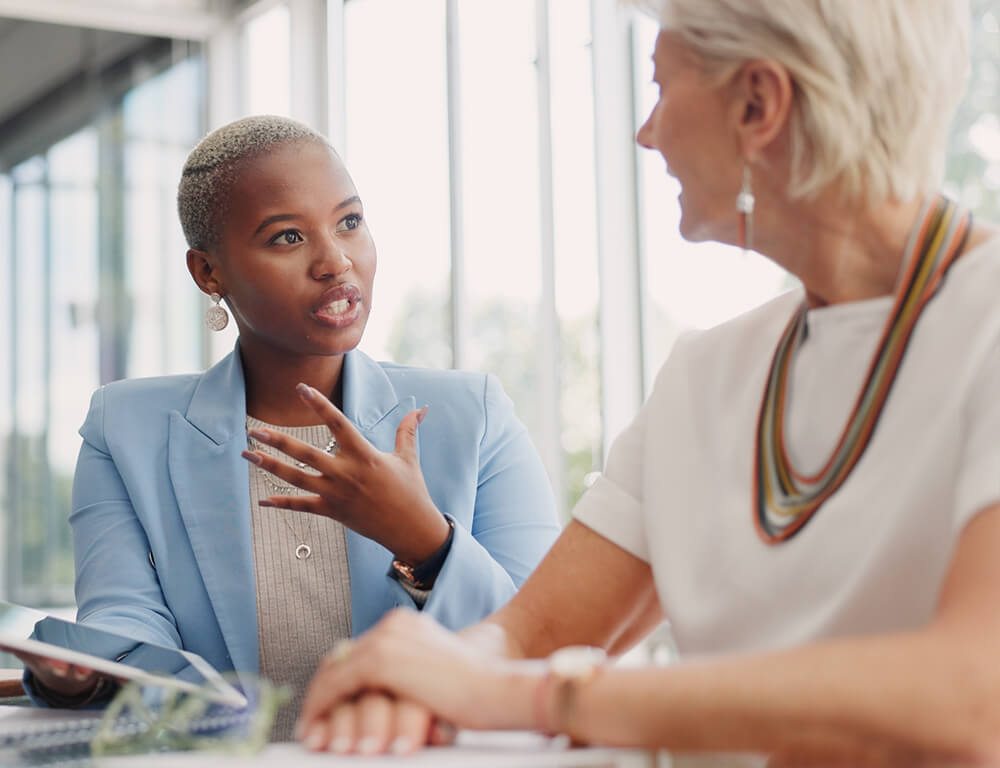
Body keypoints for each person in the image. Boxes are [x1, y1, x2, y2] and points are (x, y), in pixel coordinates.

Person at [292, 1, 1000, 764]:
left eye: (661, 89)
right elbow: (532, 634)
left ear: (758, 104)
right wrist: (415, 684)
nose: (647, 133)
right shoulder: (708, 372)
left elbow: (973, 695)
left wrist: (539, 697)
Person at [21, 115, 560, 740]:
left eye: (350, 221)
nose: (335, 261)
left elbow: (548, 640)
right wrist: (83, 673)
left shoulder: (474, 416)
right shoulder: (125, 431)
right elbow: (126, 620)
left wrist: (426, 542)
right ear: (208, 273)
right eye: (286, 238)